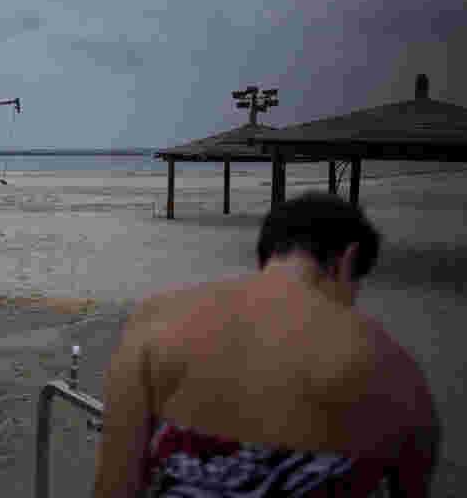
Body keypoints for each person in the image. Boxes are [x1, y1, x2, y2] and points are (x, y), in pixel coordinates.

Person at [94, 192, 441, 498]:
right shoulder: (393, 367)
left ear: (267, 252)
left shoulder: (156, 319)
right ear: (348, 259)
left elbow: (115, 485)